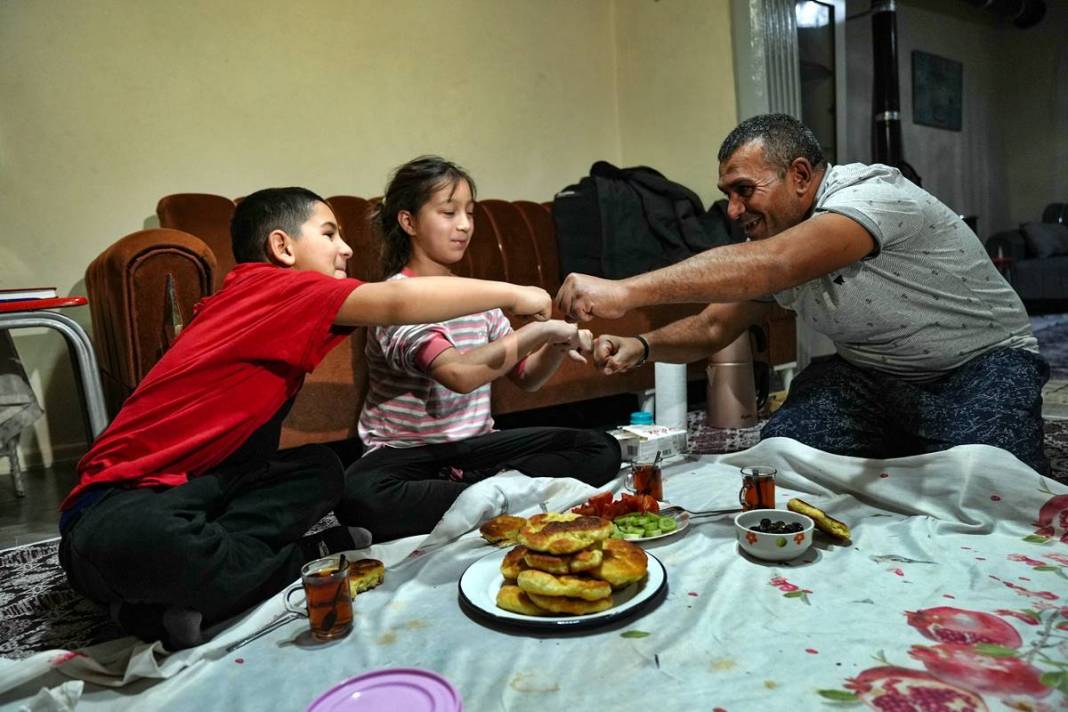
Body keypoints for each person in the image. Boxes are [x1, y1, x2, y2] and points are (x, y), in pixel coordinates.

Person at [58, 187, 553, 649]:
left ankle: (196, 585)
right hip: (118, 500)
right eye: (329, 234)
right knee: (151, 542)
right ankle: (300, 561)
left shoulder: (275, 300)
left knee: (319, 470)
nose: (347, 250)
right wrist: (514, 294)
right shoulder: (269, 287)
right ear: (282, 247)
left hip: (207, 486)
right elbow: (399, 302)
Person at [558, 113, 1049, 474]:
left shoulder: (871, 195)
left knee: (989, 483)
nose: (731, 210)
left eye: (744, 189)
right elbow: (712, 326)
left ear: (798, 175)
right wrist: (640, 347)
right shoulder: (772, 240)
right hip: (872, 377)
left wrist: (624, 292)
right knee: (781, 461)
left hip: (981, 366)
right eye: (727, 193)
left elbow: (776, 265)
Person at [337, 156, 621, 541]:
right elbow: (459, 374)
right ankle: (509, 495)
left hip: (477, 452)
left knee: (600, 447)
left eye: (469, 213)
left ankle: (488, 498)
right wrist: (541, 332)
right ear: (409, 222)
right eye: (448, 212)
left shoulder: (479, 297)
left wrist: (557, 341)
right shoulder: (395, 300)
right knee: (362, 496)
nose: (465, 225)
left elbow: (528, 378)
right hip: (408, 457)